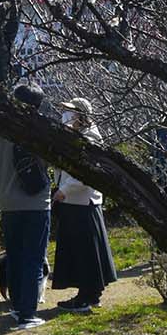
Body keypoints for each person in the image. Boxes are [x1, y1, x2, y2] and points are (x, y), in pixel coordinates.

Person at [50, 98, 117, 314]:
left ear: (81, 115)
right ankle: (88, 294)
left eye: (70, 112)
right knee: (83, 252)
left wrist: (64, 190)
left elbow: (85, 173)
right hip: (75, 202)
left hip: (81, 202)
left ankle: (87, 296)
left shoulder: (90, 138)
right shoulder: (76, 136)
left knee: (86, 252)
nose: (66, 117)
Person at [0, 83, 54, 330]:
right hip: (35, 203)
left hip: (8, 202)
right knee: (33, 257)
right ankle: (28, 313)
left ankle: (18, 306)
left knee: (16, 256)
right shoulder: (34, 130)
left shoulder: (0, 129)